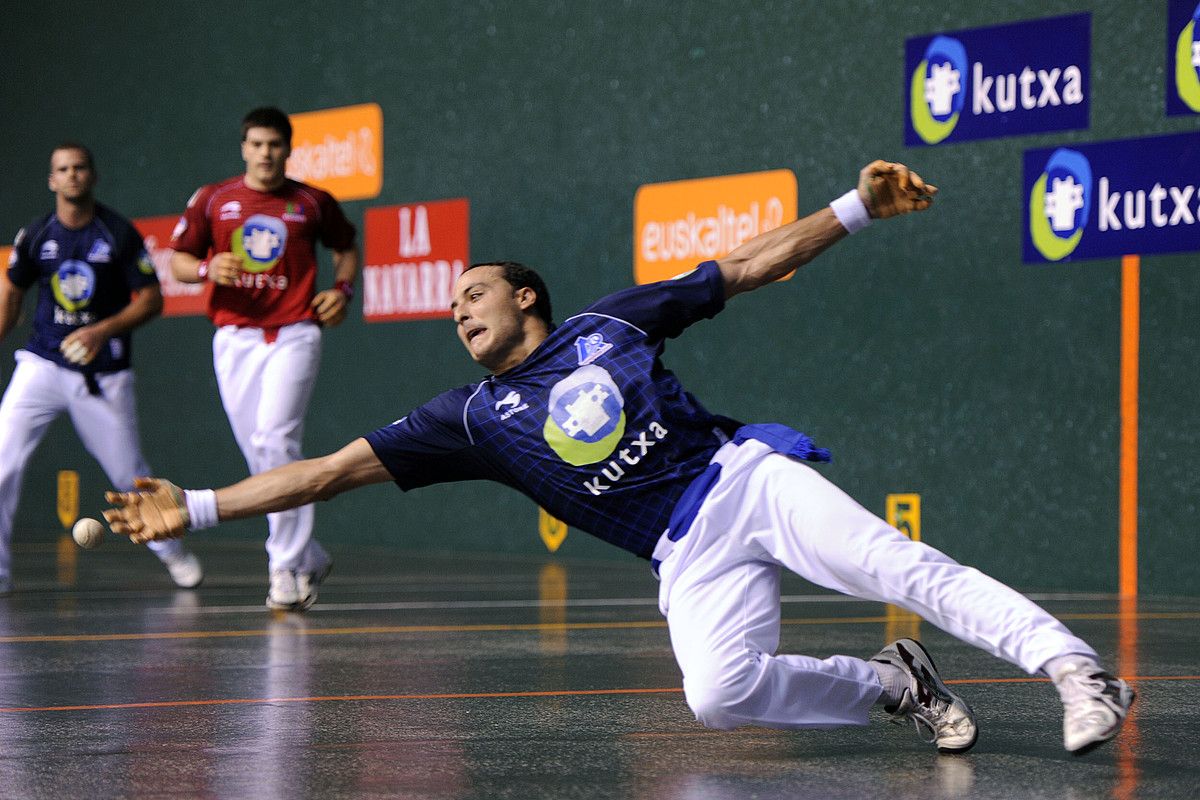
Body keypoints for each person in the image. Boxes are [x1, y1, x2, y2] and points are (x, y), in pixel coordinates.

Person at [108, 160, 1133, 755]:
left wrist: (855, 205)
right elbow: (325, 470)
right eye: (454, 299)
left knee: (898, 563)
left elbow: (747, 264)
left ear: (526, 298)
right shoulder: (467, 416)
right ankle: (889, 683)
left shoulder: (608, 322)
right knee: (717, 694)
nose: (459, 306)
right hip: (680, 551)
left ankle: (1077, 671)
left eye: (477, 290)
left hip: (743, 481)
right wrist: (195, 506)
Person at [168, 107, 360, 612]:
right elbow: (179, 262)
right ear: (243, 147)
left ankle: (284, 565)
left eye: (274, 144)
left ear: (288, 148)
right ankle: (311, 554)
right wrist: (210, 267)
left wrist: (342, 290)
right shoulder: (214, 199)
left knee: (276, 439)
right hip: (235, 338)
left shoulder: (312, 202)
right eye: (256, 144)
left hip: (296, 333)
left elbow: (346, 247)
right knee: (261, 456)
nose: (266, 153)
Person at [0, 143, 203, 594]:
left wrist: (100, 332)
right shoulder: (35, 235)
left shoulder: (117, 234)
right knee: (1, 463)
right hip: (41, 365)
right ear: (52, 180)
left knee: (129, 474)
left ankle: (172, 552)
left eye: (79, 168)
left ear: (92, 176)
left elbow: (152, 299)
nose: (72, 175)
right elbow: (11, 294)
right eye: (62, 169)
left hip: (103, 374)